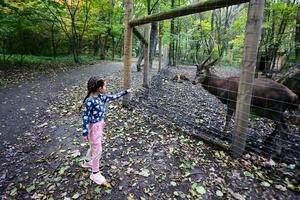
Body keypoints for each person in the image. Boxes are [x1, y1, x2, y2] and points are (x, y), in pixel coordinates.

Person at [80, 76, 132, 185]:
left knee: (94, 146)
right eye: (104, 85)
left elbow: (113, 97)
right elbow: (85, 117)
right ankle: (95, 173)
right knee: (97, 150)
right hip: (94, 127)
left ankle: (87, 162)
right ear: (99, 88)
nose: (105, 87)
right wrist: (85, 132)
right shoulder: (90, 101)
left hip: (99, 125)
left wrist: (125, 92)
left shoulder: (101, 97)